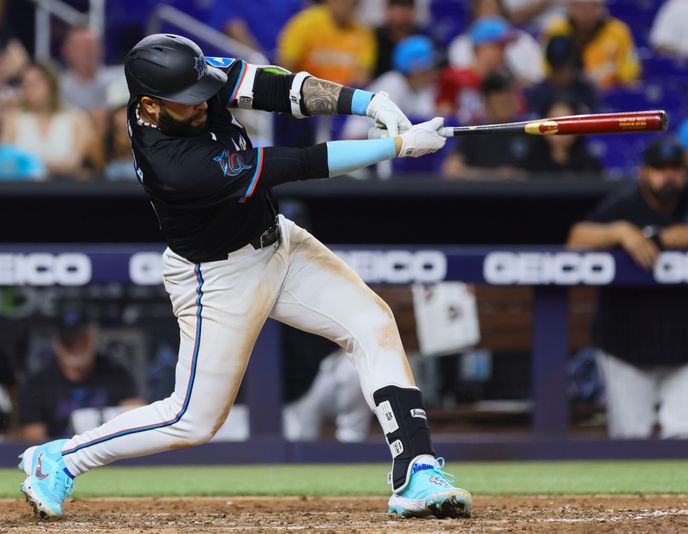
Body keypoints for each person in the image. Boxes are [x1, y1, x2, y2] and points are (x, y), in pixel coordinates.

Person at [16, 33, 471, 520]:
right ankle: (60, 458)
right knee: (192, 419)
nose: (201, 103)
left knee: (373, 323)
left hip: (278, 241)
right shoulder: (175, 164)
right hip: (217, 275)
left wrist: (367, 101)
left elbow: (277, 89)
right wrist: (395, 147)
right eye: (187, 102)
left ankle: (416, 468)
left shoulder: (185, 77)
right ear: (149, 104)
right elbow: (293, 164)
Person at [567, 137, 688, 439]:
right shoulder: (627, 203)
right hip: (625, 348)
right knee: (630, 439)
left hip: (686, 346)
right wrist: (621, 231)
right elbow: (577, 239)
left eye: (675, 169)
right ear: (644, 172)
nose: (668, 176)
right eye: (660, 169)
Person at [18, 304, 144, 442]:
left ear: (93, 335)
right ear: (56, 341)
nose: (77, 347)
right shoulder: (39, 383)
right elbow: (34, 438)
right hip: (62, 457)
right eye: (69, 341)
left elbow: (136, 423)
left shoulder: (117, 374)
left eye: (82, 339)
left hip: (108, 454)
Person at [0, 62, 101, 180]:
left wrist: (30, 165)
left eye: (34, 84)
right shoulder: (14, 118)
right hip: (23, 189)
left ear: (52, 85)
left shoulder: (77, 118)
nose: (29, 90)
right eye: (25, 85)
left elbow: (74, 163)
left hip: (65, 187)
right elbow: (5, 161)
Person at [342, 35, 439, 141]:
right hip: (360, 140)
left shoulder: (423, 89)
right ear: (416, 67)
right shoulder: (393, 82)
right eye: (430, 65)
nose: (434, 70)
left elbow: (426, 119)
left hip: (390, 144)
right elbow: (387, 125)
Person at [443, 73, 532, 179]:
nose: (508, 107)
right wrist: (495, 176)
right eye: (501, 103)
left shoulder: (527, 131)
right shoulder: (473, 132)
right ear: (487, 105)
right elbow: (451, 169)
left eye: (510, 101)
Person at [277, 0, 376, 87]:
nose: (343, 4)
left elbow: (362, 77)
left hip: (342, 99)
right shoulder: (305, 24)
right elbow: (286, 65)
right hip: (303, 94)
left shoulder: (363, 34)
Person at [544, 0, 640, 90]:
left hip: (609, 92)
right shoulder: (556, 31)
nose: (585, 12)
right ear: (570, 7)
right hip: (568, 93)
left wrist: (611, 72)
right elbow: (545, 69)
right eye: (579, 6)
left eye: (591, 6)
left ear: (600, 7)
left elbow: (631, 70)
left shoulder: (618, 31)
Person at [437, 17, 515, 124]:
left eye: (504, 48)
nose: (503, 53)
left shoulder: (504, 81)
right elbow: (441, 116)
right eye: (498, 47)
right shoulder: (454, 78)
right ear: (480, 48)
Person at [448, 0, 544, 87]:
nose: (503, 51)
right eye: (498, 47)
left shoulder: (506, 76)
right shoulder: (459, 84)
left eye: (503, 47)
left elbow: (539, 79)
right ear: (482, 49)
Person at [59, 26, 125, 130]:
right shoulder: (57, 85)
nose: (88, 52)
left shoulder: (122, 78)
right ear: (66, 50)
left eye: (92, 45)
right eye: (81, 46)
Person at [525, 35, 598, 116]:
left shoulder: (584, 89)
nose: (561, 75)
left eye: (564, 68)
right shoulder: (539, 92)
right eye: (556, 69)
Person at [527, 99, 603, 175]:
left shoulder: (590, 165)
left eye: (567, 124)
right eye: (554, 124)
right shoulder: (529, 164)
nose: (561, 130)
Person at [373, 0, 428, 79]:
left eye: (407, 6)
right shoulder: (376, 36)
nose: (402, 12)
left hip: (416, 85)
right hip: (380, 86)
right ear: (388, 9)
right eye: (398, 6)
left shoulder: (422, 37)